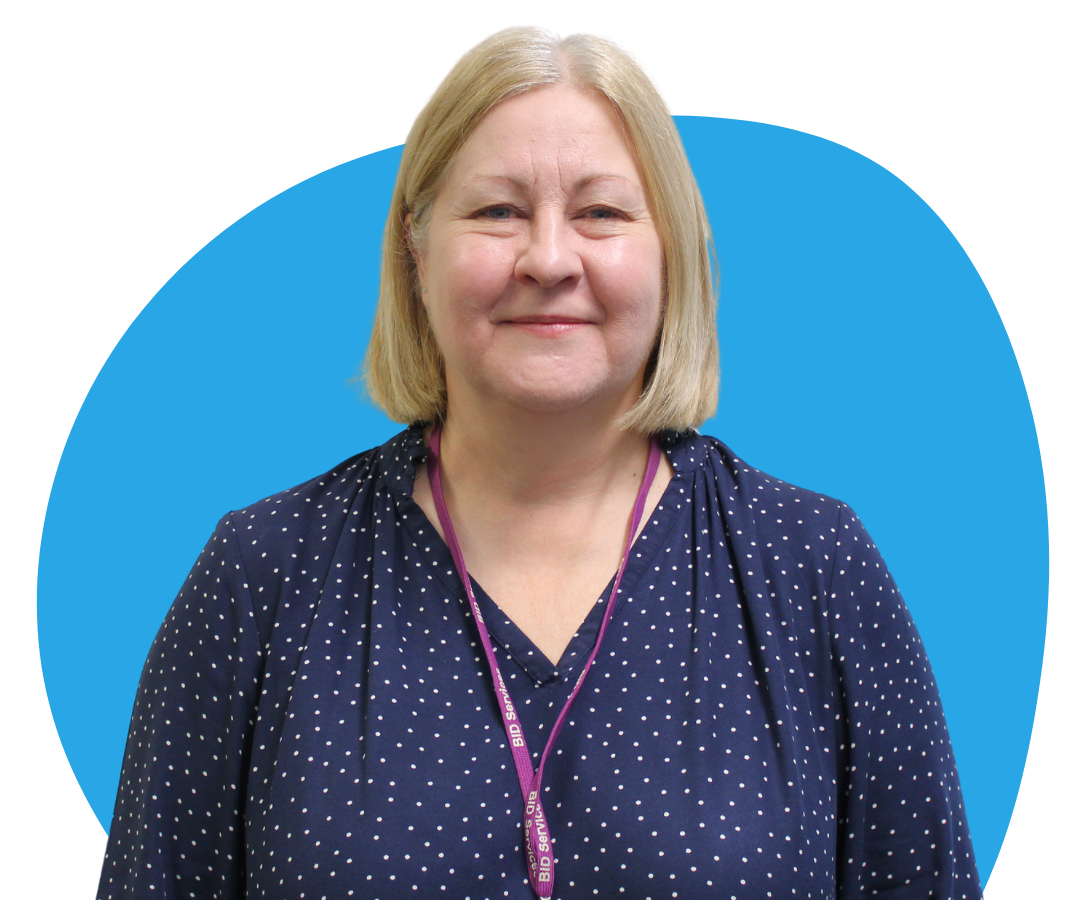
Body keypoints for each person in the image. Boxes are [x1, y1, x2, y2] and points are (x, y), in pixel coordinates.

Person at [97, 27, 982, 900]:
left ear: (671, 251)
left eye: (601, 212)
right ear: (418, 248)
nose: (549, 259)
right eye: (496, 211)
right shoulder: (265, 575)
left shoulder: (814, 566)